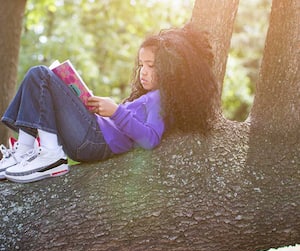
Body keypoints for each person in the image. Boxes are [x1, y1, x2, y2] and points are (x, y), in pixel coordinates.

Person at [0, 23, 219, 183]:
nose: (144, 72)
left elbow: (150, 139)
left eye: (151, 66)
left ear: (171, 71)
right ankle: (24, 153)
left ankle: (50, 156)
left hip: (95, 141)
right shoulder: (151, 97)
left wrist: (115, 112)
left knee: (41, 76)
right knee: (40, 77)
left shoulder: (160, 100)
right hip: (92, 135)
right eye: (142, 64)